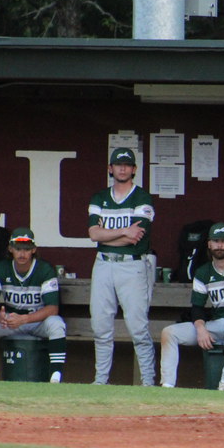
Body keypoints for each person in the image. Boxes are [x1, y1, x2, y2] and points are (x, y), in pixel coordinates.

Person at [160, 222, 224, 390]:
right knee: (169, 333)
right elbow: (197, 307)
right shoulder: (203, 272)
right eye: (216, 241)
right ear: (209, 244)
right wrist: (201, 328)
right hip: (217, 324)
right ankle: (167, 385)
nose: (220, 245)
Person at [87, 147, 156, 386]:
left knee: (138, 328)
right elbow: (94, 234)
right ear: (110, 168)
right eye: (118, 164)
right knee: (101, 326)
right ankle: (100, 381)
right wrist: (123, 231)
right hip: (104, 264)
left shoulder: (142, 197)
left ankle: (148, 382)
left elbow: (135, 238)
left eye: (127, 165)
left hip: (132, 265)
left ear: (134, 169)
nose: (123, 168)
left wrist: (111, 236)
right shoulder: (99, 197)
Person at [0, 227, 67, 382]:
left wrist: (25, 319)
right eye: (18, 248)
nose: (22, 253)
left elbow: (52, 309)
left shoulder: (45, 269)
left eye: (26, 249)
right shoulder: (0, 268)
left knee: (57, 324)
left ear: (33, 250)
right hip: (10, 321)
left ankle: (55, 377)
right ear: (10, 248)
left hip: (36, 321)